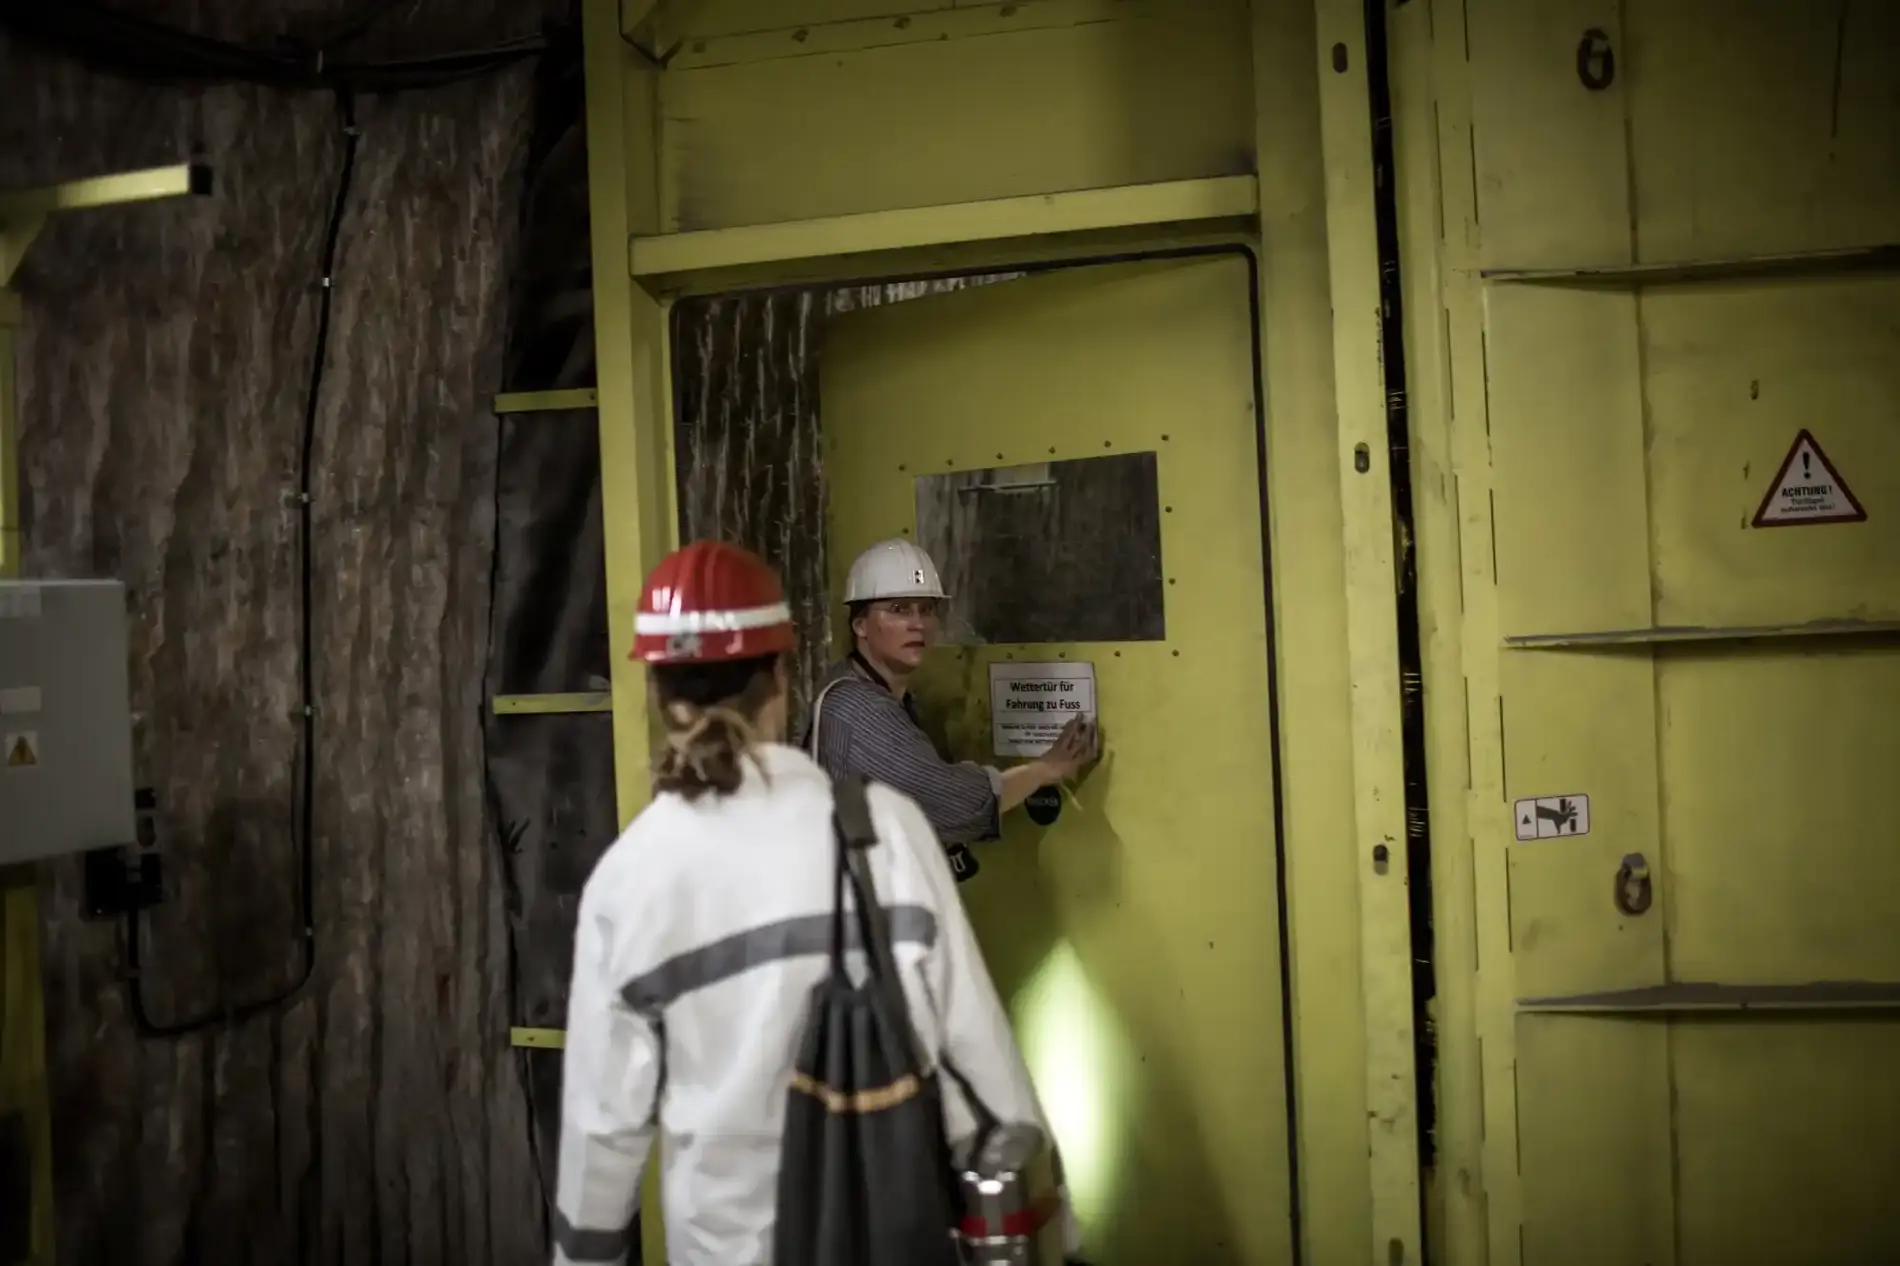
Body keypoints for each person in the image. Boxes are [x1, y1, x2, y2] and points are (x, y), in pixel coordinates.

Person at [552, 540, 1075, 1266]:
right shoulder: (882, 832)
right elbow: (982, 1069)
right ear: (782, 674)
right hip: (889, 1231)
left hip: (723, 1246)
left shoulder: (629, 880)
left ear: (657, 690)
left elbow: (603, 1131)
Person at [805, 538, 1097, 881]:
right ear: (860, 625)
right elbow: (955, 803)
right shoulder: (859, 708)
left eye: (926, 609)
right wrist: (1046, 769)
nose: (918, 624)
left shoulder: (862, 686)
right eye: (899, 609)